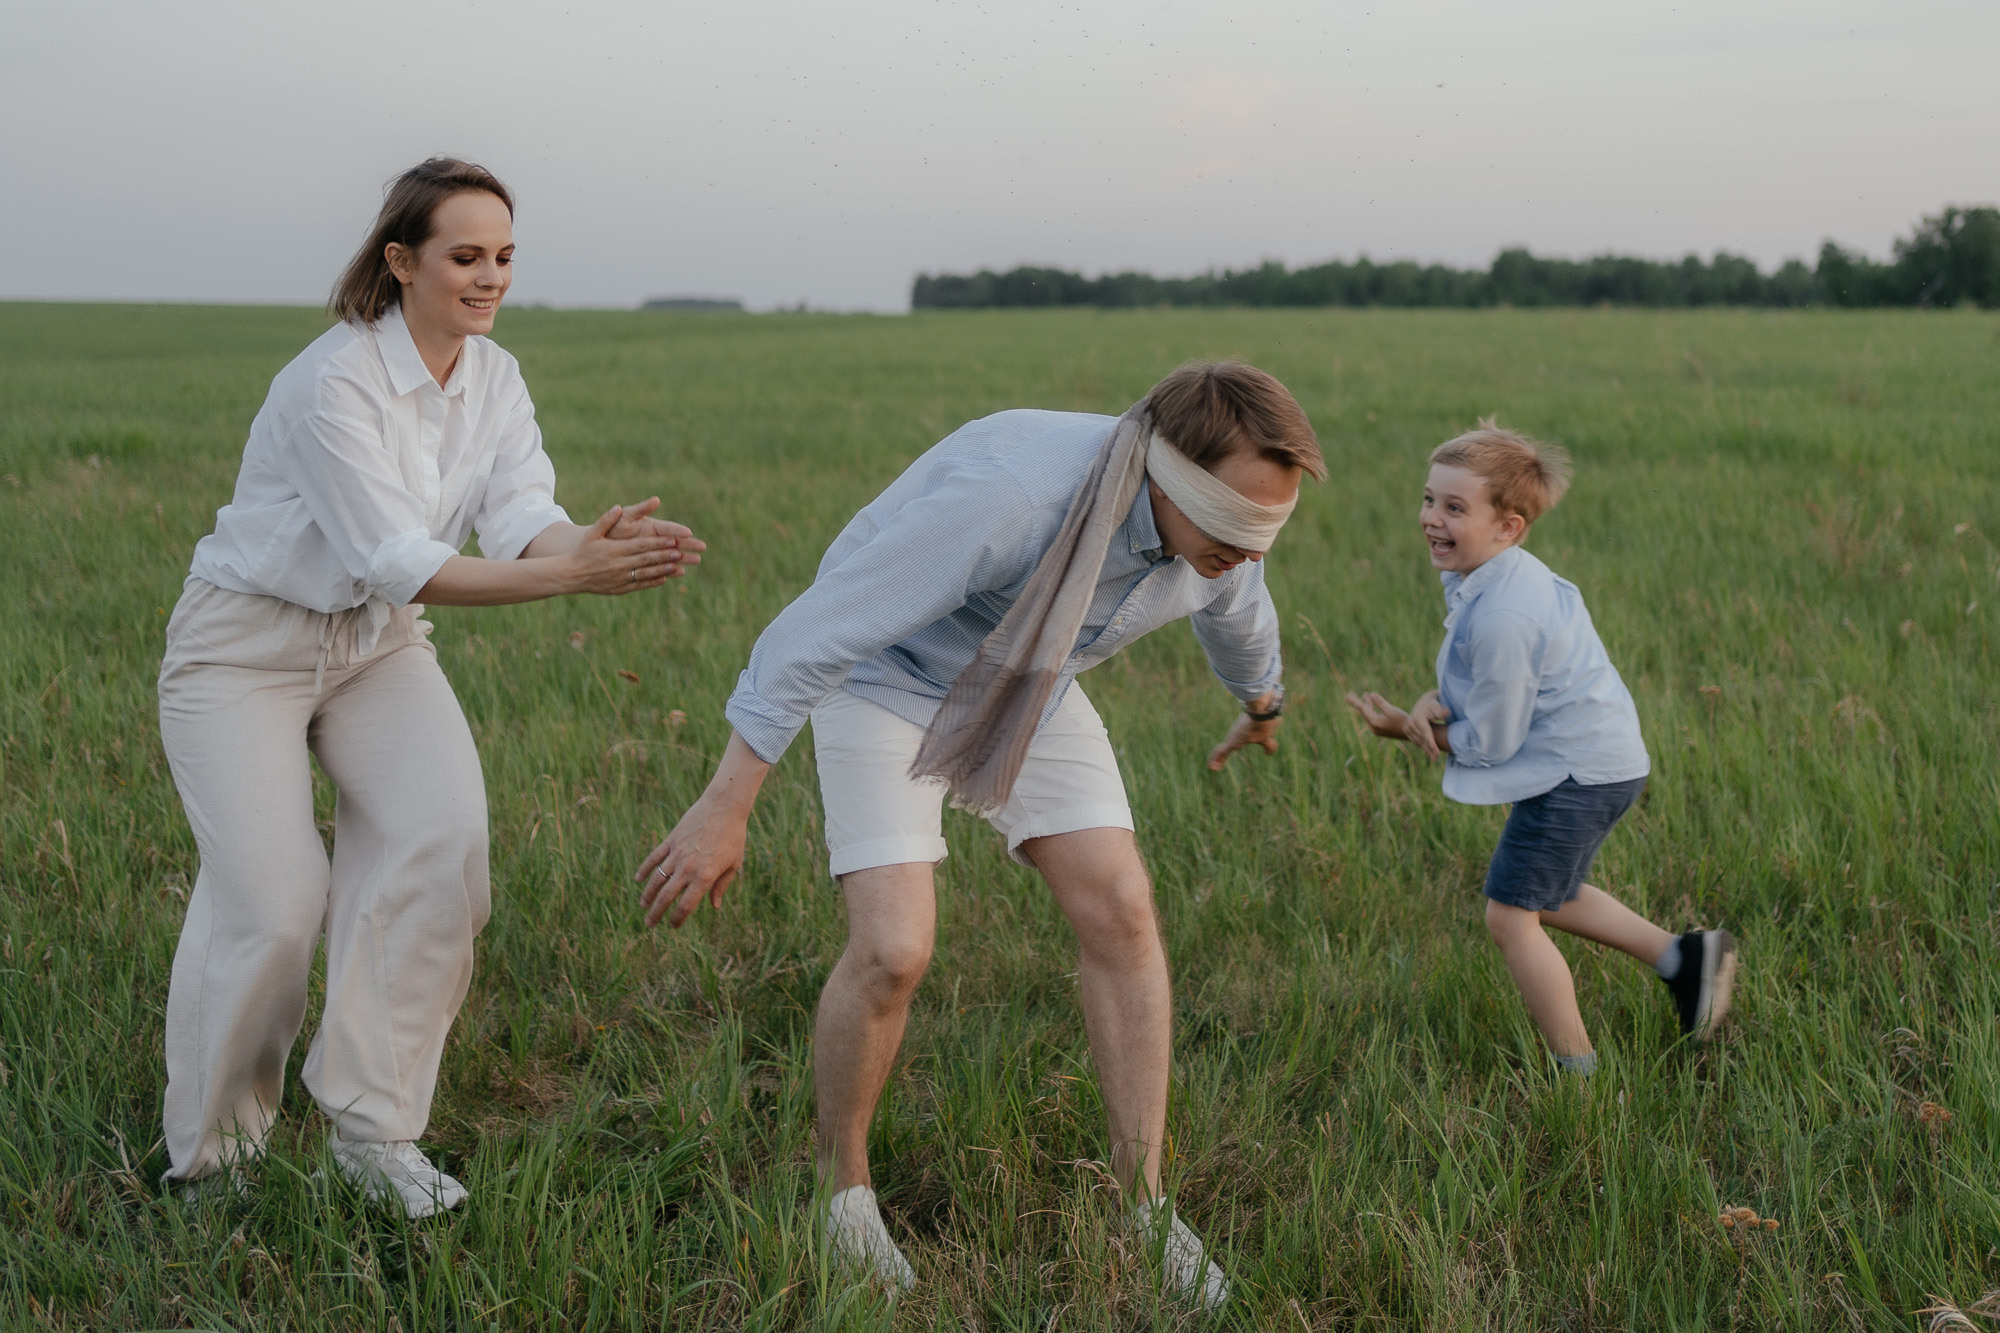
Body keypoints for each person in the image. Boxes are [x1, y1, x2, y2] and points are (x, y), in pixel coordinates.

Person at [635, 363, 1324, 1306]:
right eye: (1234, 530)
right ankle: (842, 1192)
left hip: (1033, 678)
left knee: (1122, 908)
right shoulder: (1017, 499)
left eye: (1265, 535)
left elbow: (1241, 615)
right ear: (1165, 477)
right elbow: (815, 632)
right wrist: (726, 802)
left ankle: (1145, 1206)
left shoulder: (1217, 550)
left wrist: (1262, 701)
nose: (1249, 555)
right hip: (884, 675)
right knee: (892, 948)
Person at [157, 157, 704, 1216]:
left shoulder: (493, 376)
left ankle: (373, 1132)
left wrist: (579, 543)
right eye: (466, 256)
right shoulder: (332, 384)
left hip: (377, 646)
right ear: (402, 262)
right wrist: (566, 577)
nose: (489, 276)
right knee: (273, 904)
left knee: (443, 847)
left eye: (503, 256)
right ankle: (212, 1165)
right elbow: (403, 559)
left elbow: (518, 513)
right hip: (243, 649)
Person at [1345, 423, 1736, 1076]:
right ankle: (1685, 960)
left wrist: (1410, 733)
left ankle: (1578, 1076)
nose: (1430, 518)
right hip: (1595, 759)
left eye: (1453, 507)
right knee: (1547, 891)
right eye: (1428, 499)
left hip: (1576, 773)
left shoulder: (1506, 613)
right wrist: (1426, 706)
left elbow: (1494, 739)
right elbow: (1490, 689)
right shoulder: (1494, 576)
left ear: (1510, 527)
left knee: (1510, 917)